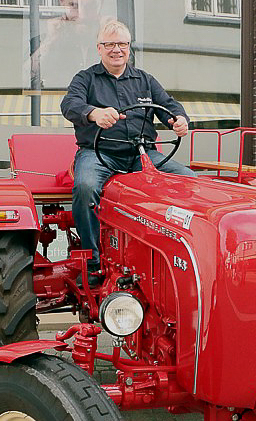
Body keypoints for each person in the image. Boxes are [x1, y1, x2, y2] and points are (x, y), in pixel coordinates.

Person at [60, 19, 195, 285]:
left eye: (121, 44)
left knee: (187, 180)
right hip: (99, 153)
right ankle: (93, 261)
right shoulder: (85, 79)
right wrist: (94, 113)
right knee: (85, 187)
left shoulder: (145, 80)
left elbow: (168, 105)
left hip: (141, 153)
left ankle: (180, 259)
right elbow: (69, 104)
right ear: (99, 48)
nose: (116, 50)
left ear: (129, 47)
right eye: (109, 44)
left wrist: (179, 120)